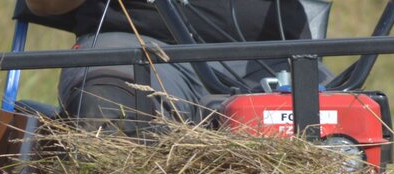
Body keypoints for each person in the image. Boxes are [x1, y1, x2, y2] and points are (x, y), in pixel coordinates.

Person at [24, 0, 317, 131]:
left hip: (273, 60)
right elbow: (45, 3)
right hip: (141, 47)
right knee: (108, 104)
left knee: (345, 118)